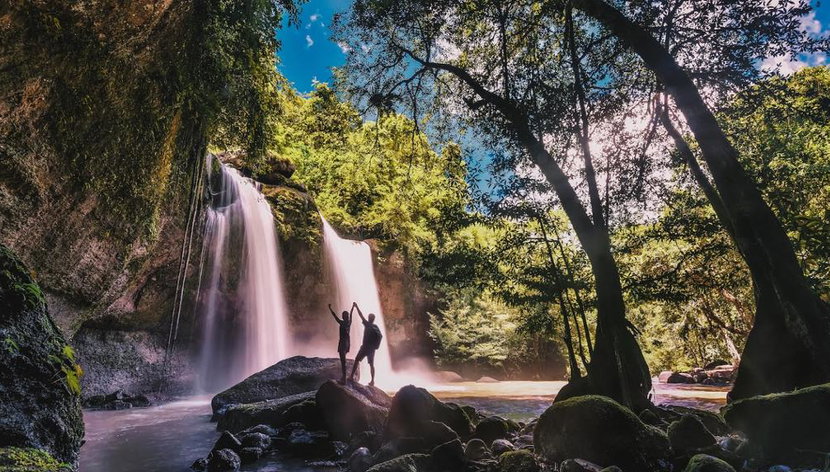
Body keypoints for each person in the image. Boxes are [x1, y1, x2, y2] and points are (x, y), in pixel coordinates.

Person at [349, 302, 383, 386]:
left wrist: (356, 307)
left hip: (365, 347)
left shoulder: (367, 324)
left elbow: (360, 315)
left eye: (368, 317)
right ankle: (372, 381)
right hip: (372, 349)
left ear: (369, 318)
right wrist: (376, 346)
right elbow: (381, 336)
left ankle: (351, 376)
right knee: (371, 364)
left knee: (357, 360)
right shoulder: (375, 327)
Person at [329, 303, 353, 384]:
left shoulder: (342, 323)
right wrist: (353, 307)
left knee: (343, 361)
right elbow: (351, 314)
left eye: (343, 315)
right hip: (347, 343)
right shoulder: (349, 323)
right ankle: (344, 377)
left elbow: (335, 316)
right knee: (344, 360)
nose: (342, 316)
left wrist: (330, 308)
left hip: (343, 343)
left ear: (344, 316)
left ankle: (344, 378)